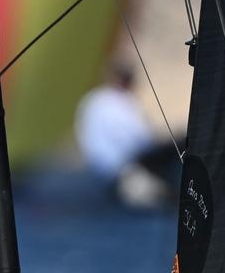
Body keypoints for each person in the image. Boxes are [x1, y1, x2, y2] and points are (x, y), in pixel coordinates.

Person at [74, 61, 176, 207]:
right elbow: (141, 141)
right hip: (122, 174)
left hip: (102, 174)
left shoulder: (93, 99)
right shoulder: (117, 102)